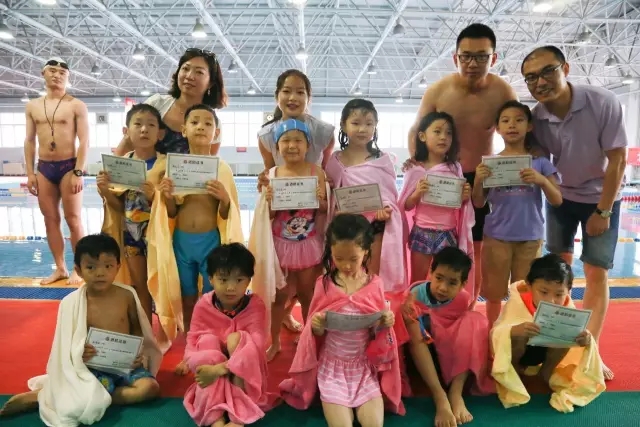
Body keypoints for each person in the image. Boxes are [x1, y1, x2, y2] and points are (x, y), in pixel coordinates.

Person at [522, 46, 628, 380]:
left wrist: (604, 211)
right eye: (531, 77)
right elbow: (540, 156)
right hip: (562, 199)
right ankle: (556, 340)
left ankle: (589, 350)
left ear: (565, 69)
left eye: (547, 71)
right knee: (558, 273)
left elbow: (619, 159)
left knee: (596, 273)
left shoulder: (602, 102)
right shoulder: (537, 117)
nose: (540, 82)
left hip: (602, 196)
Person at [407, 24, 518, 302]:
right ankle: (422, 307)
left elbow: (517, 131)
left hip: (480, 180)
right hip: (442, 178)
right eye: (466, 56)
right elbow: (417, 130)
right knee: (428, 244)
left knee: (473, 248)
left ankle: (466, 307)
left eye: (481, 56)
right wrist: (421, 167)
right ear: (455, 57)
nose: (472, 63)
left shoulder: (502, 91)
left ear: (493, 58)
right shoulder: (438, 91)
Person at [0, 233, 162, 423]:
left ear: (118, 267)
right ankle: (41, 396)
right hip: (93, 368)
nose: (100, 273)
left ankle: (95, 397)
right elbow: (66, 344)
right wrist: (80, 351)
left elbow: (137, 329)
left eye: (108, 266)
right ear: (78, 270)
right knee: (78, 402)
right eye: (91, 267)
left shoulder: (127, 295)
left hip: (126, 366)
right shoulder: (71, 302)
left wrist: (138, 353)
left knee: (150, 388)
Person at [279, 214, 405, 425]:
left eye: (353, 259)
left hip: (363, 367)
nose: (346, 265)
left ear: (366, 251)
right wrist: (316, 326)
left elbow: (377, 334)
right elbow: (315, 336)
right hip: (332, 369)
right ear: (330, 252)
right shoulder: (324, 284)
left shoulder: (374, 284)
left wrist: (384, 323)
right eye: (339, 258)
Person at [156, 104, 244, 373]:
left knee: (211, 298)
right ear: (184, 129)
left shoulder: (222, 169)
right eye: (194, 122)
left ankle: (213, 344)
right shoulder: (175, 167)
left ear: (216, 132)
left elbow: (228, 214)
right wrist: (167, 196)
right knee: (187, 298)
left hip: (211, 243)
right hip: (182, 241)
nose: (201, 127)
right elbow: (171, 213)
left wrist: (224, 198)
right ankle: (190, 348)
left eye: (208, 123)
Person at [256, 69, 336, 335]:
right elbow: (269, 170)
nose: (293, 97)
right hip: (283, 223)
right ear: (277, 96)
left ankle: (305, 330)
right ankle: (279, 327)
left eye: (300, 92)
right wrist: (266, 185)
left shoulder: (323, 132)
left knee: (306, 287)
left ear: (309, 97)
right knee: (281, 288)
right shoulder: (266, 135)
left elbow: (326, 170)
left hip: (309, 224)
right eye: (286, 91)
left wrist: (322, 192)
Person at [472, 101, 562, 327]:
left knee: (525, 293)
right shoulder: (491, 164)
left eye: (519, 120)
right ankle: (494, 332)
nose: (512, 125)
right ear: (498, 128)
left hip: (529, 238)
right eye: (505, 121)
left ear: (529, 126)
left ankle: (521, 332)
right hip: (496, 237)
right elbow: (478, 201)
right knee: (493, 294)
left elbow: (557, 199)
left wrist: (541, 180)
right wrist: (479, 180)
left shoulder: (540, 163)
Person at [249, 119, 328, 362]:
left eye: (298, 140)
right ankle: (274, 342)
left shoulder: (316, 172)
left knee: (307, 295)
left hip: (308, 245)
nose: (292, 145)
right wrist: (269, 202)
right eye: (285, 141)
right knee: (279, 298)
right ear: (277, 147)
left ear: (307, 145)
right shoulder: (272, 174)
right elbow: (267, 216)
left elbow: (325, 210)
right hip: (279, 245)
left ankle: (308, 339)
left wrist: (320, 199)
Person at [491, 254, 605, 412]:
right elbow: (497, 333)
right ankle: (515, 371)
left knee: (567, 334)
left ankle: (546, 372)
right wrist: (515, 330)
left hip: (546, 352)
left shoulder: (567, 307)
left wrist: (584, 339)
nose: (551, 300)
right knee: (518, 335)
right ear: (529, 286)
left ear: (568, 291)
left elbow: (579, 337)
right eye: (544, 292)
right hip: (519, 353)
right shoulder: (518, 302)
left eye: (558, 294)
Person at [396, 247, 494, 427]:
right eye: (439, 278)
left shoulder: (462, 299)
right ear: (430, 273)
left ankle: (456, 392)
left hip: (446, 349)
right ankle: (440, 396)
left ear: (463, 284)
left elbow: (457, 329)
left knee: (476, 320)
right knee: (413, 323)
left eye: (452, 283)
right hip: (421, 350)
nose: (442, 288)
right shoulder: (414, 295)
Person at [183, 243, 274, 427]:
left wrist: (220, 369)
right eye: (223, 280)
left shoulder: (255, 305)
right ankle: (215, 416)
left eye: (239, 280)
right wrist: (210, 364)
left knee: (238, 340)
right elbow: (192, 344)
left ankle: (238, 413)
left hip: (242, 377)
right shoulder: (203, 305)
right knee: (207, 342)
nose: (231, 287)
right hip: (212, 375)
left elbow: (258, 346)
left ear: (248, 281)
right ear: (210, 279)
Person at [324, 99, 406, 291]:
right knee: (346, 275)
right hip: (347, 229)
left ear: (375, 126)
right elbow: (332, 196)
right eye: (356, 123)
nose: (362, 129)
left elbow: (390, 195)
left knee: (371, 276)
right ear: (343, 125)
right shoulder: (335, 160)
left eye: (369, 124)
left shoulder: (382, 160)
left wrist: (386, 209)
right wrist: (336, 211)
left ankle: (371, 304)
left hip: (375, 226)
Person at [97, 104, 169, 323]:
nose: (144, 129)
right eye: (138, 124)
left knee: (162, 285)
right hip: (131, 236)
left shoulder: (166, 165)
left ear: (160, 134)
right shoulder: (120, 165)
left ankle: (165, 331)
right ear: (126, 131)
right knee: (140, 285)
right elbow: (119, 208)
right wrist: (105, 191)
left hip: (159, 236)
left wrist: (154, 196)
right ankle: (146, 332)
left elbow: (174, 207)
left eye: (151, 125)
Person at [24, 57, 90, 286]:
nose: (57, 75)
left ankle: (79, 269)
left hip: (68, 166)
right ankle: (60, 268)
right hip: (44, 168)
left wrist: (78, 172)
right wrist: (30, 173)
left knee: (74, 219)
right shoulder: (32, 106)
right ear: (43, 74)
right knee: (50, 219)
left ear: (68, 77)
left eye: (62, 73)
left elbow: (84, 141)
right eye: (52, 70)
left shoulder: (76, 105)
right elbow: (29, 141)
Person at [398, 112, 474, 291]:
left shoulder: (455, 168)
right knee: (418, 281)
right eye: (437, 131)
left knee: (445, 280)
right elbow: (405, 205)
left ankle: (441, 309)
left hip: (448, 233)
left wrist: (465, 196)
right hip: (422, 232)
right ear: (422, 136)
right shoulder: (415, 169)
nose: (443, 137)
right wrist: (417, 194)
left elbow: (460, 204)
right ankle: (416, 307)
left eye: (448, 133)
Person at [114, 48, 227, 156]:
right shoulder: (156, 104)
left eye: (199, 72)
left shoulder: (212, 122)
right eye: (185, 69)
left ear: (210, 83)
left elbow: (206, 162)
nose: (189, 76)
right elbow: (127, 144)